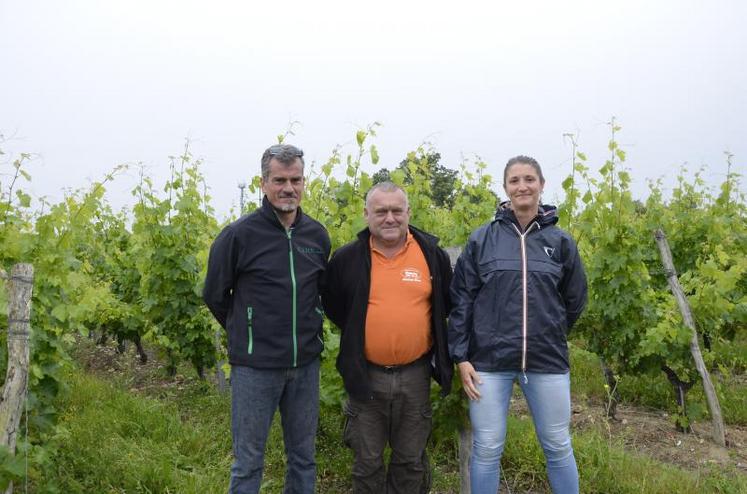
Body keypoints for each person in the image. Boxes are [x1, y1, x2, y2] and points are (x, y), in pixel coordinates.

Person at [448, 156, 587, 494]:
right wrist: (461, 356)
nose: (522, 186)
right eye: (514, 180)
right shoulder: (483, 239)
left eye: (529, 179)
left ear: (541, 184)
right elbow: (461, 299)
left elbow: (575, 299)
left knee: (557, 444)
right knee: (488, 448)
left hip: (546, 361)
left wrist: (549, 331)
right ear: (506, 187)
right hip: (489, 364)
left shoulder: (561, 242)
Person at [203, 144, 331, 494]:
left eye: (295, 179)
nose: (288, 188)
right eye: (279, 180)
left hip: (305, 365)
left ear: (304, 182)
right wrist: (246, 330)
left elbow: (319, 291)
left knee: (303, 458)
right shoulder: (238, 236)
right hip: (254, 369)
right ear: (263, 183)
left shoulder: (317, 236)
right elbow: (215, 294)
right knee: (248, 462)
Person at [322, 182, 453, 494]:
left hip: (415, 375)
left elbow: (445, 305)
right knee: (367, 461)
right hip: (366, 376)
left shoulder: (431, 255)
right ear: (367, 214)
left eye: (397, 210)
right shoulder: (346, 259)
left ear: (408, 212)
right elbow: (334, 306)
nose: (390, 218)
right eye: (381, 211)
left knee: (410, 460)